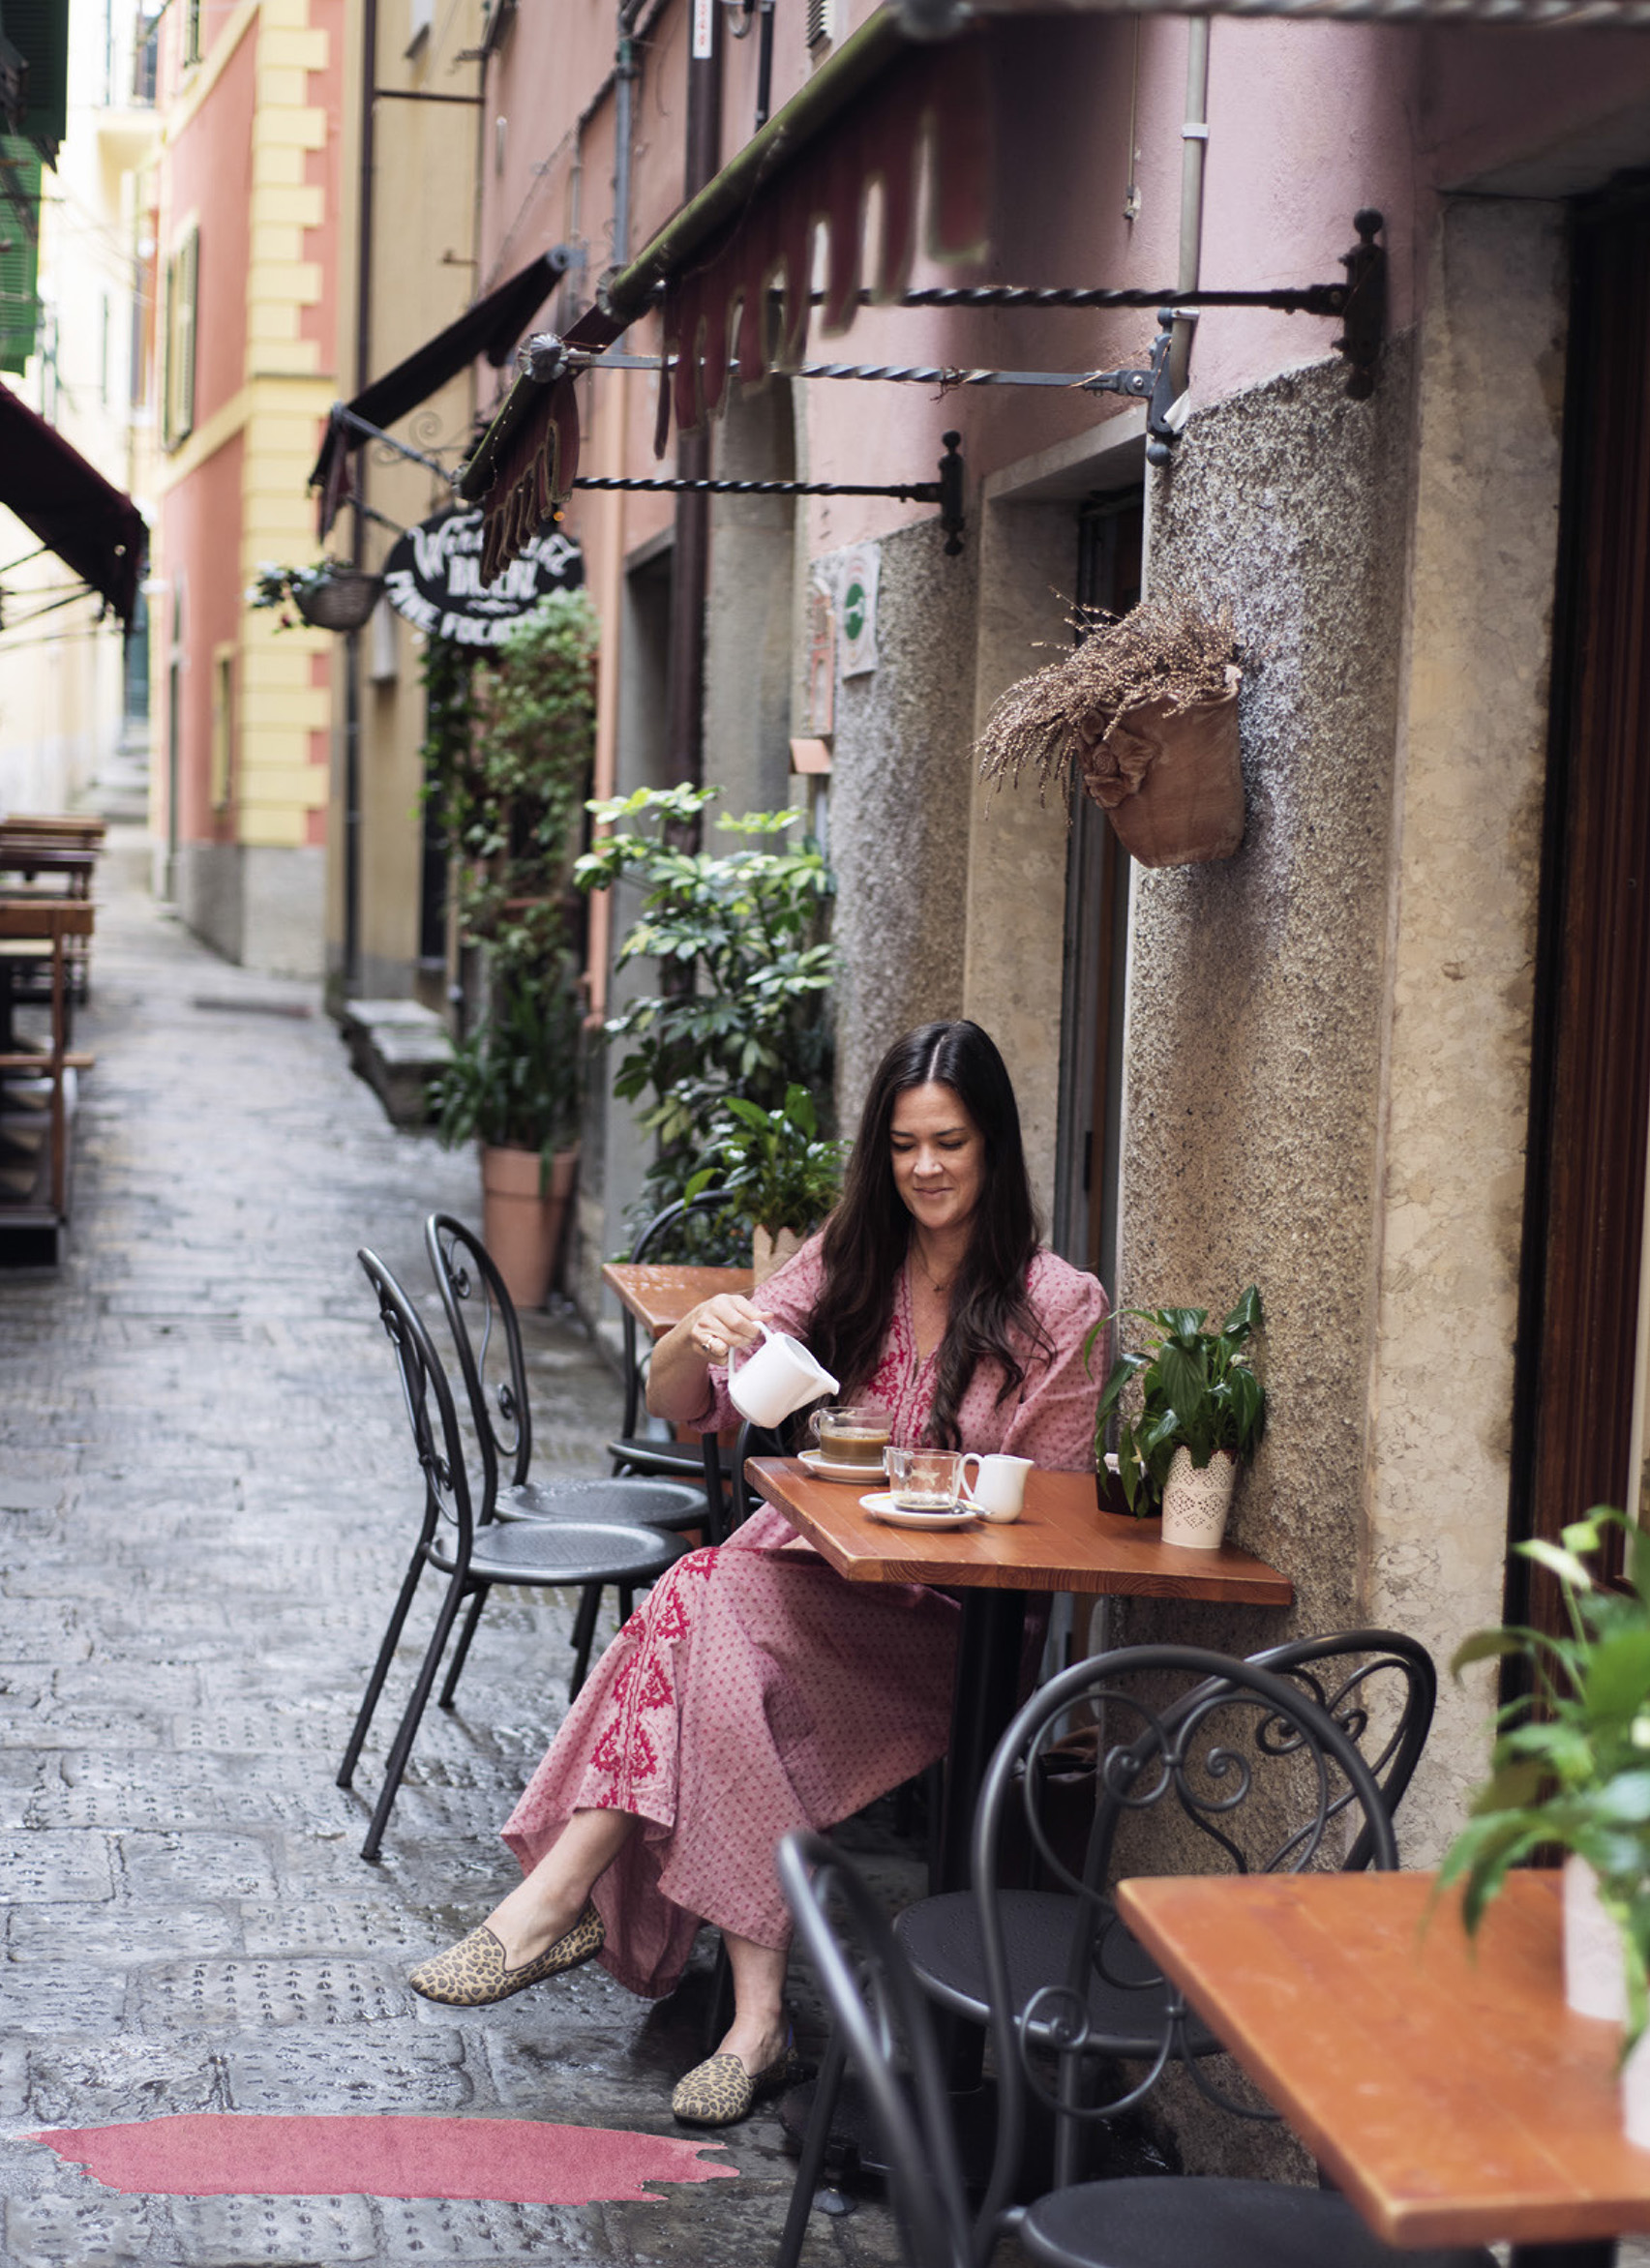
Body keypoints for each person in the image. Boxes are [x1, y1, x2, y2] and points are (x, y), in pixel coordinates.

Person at [407, 1020, 1107, 2127]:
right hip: (801, 1584)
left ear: (995, 1149)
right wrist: (698, 1331)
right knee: (710, 1605)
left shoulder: (1056, 1304)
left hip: (944, 1629)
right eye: (903, 1143)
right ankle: (753, 2023)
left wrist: (927, 1490)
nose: (924, 1167)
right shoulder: (848, 1256)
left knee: (700, 1597)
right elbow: (683, 1402)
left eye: (951, 1143)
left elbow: (1054, 1508)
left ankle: (562, 1900)